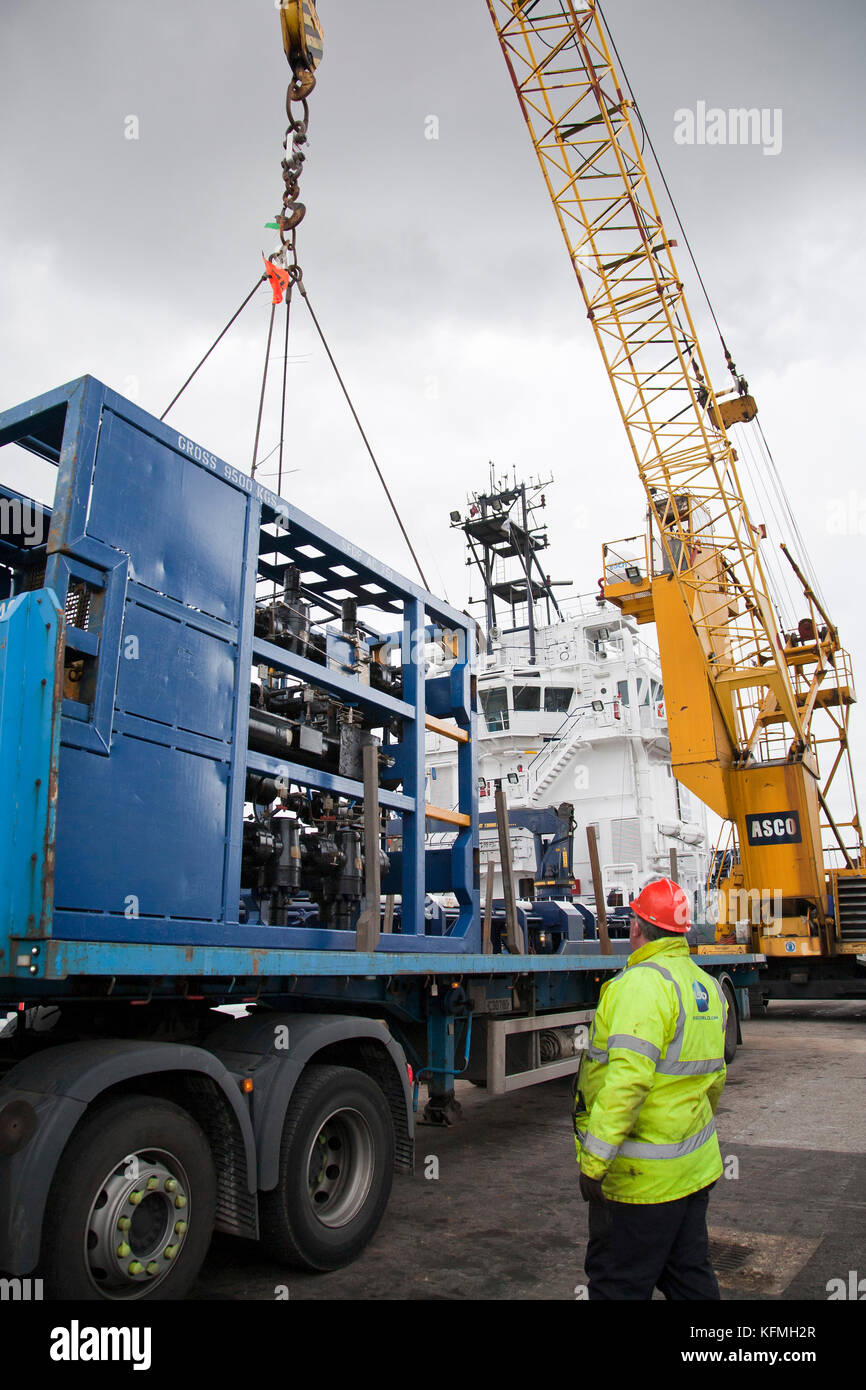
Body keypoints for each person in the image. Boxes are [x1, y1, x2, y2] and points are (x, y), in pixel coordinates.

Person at [574, 877, 728, 1300]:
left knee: (617, 1285)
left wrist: (594, 1162)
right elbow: (713, 1080)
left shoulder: (640, 985)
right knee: (689, 1277)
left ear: (638, 928)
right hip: (692, 1172)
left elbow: (627, 1083)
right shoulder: (707, 987)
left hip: (642, 1184)